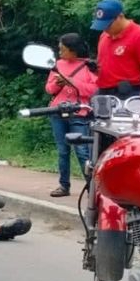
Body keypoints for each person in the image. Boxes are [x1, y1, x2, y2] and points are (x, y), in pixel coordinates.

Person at [45, 33, 97, 197]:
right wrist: (57, 83)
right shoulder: (58, 64)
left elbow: (94, 90)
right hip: (58, 111)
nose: (60, 52)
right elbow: (49, 89)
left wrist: (71, 81)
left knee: (82, 151)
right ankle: (64, 185)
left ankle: (92, 188)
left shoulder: (89, 66)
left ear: (73, 50)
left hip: (79, 112)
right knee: (63, 151)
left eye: (63, 49)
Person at [90, 0, 140, 100]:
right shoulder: (104, 36)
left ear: (120, 17)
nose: (105, 29)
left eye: (108, 25)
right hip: (103, 92)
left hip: (126, 94)